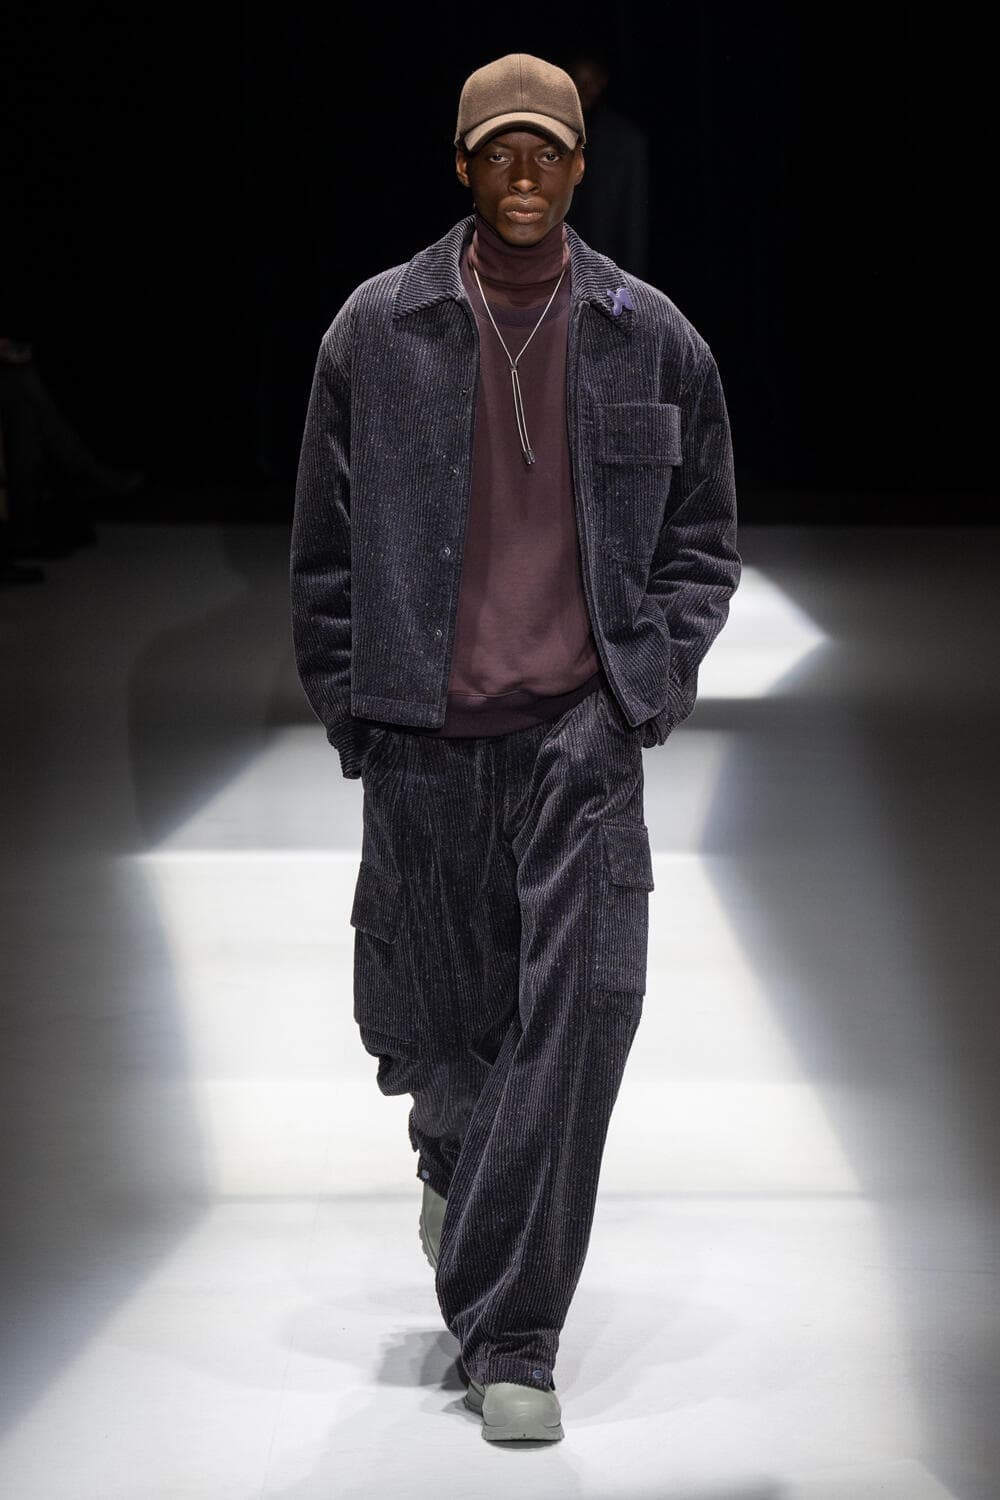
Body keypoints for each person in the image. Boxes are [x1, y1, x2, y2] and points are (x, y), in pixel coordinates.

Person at [289, 53, 740, 1444]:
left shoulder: (652, 336)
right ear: (464, 166)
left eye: (550, 150)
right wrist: (359, 711)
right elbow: (323, 551)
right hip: (428, 741)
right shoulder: (378, 331)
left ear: (583, 165)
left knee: (587, 1009)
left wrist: (643, 686)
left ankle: (514, 1337)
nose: (527, 174)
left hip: (579, 741)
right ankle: (457, 1164)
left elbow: (702, 541)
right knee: (447, 1036)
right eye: (502, 151)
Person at [565, 49, 652, 277]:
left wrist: (630, 282)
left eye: (591, 81)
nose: (585, 89)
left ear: (602, 82)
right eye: (579, 81)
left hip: (606, 267)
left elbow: (634, 221)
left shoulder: (627, 140)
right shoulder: (552, 135)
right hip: (556, 265)